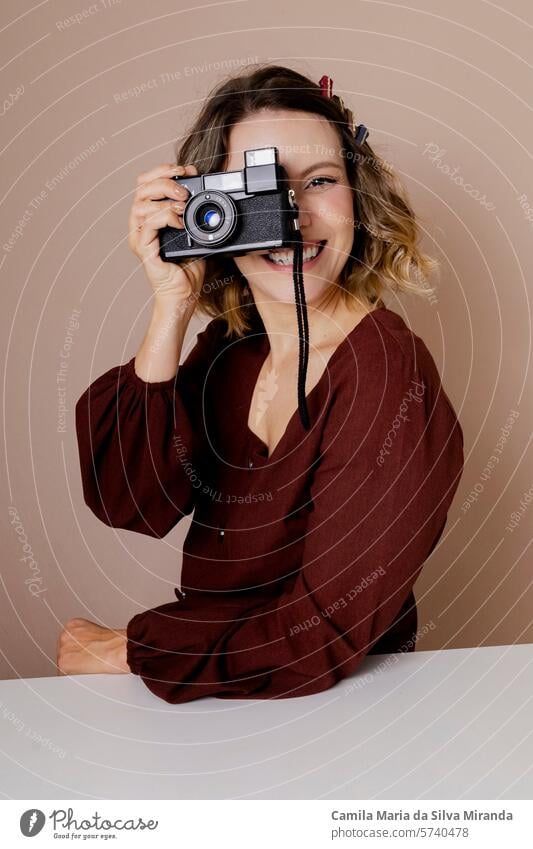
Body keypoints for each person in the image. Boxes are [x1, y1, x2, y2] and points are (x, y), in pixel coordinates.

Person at [60, 64, 464, 704]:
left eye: (320, 182)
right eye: (260, 188)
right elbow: (128, 502)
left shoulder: (385, 370)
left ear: (358, 199)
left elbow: (326, 631)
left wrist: (134, 648)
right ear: (206, 208)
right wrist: (170, 306)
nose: (291, 214)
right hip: (227, 709)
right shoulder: (233, 348)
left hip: (342, 717)